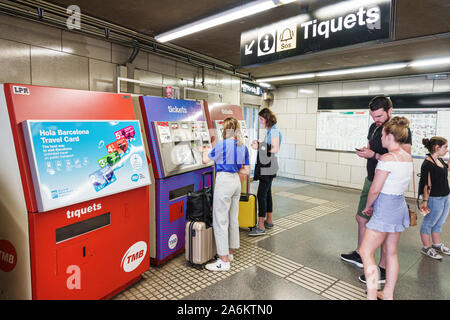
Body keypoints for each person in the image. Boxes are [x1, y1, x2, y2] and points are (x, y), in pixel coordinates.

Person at [340, 95, 412, 285]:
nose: (376, 121)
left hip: (387, 186)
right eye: (373, 117)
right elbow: (373, 149)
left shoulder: (401, 131)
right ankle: (360, 254)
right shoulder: (374, 127)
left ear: (390, 111)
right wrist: (367, 152)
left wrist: (376, 155)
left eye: (379, 116)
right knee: (361, 218)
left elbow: (403, 157)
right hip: (371, 178)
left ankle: (381, 268)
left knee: (386, 232)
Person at [359, 116, 413, 300]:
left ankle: (372, 295)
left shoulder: (387, 158)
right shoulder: (407, 157)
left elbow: (375, 189)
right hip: (399, 205)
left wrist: (368, 206)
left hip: (385, 207)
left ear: (390, 136)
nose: (380, 139)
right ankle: (388, 293)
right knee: (391, 252)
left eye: (382, 135)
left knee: (366, 252)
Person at [201, 117, 250, 271]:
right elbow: (247, 171)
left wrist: (205, 151)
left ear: (225, 129)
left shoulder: (222, 144)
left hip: (224, 182)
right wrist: (234, 169)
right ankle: (230, 252)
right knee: (232, 218)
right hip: (236, 182)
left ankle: (223, 261)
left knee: (220, 220)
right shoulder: (243, 146)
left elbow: (204, 161)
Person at [249, 108, 282, 236]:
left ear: (267, 118)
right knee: (267, 193)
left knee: (261, 194)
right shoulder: (270, 130)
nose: (260, 121)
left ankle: (261, 226)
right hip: (269, 165)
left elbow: (274, 148)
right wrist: (260, 144)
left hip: (268, 166)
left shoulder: (274, 130)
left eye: (261, 119)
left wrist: (259, 146)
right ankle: (269, 220)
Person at [418, 137, 450, 260]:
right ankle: (426, 248)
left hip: (445, 196)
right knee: (429, 223)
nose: (447, 149)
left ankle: (436, 244)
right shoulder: (428, 163)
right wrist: (425, 201)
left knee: (440, 222)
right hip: (434, 198)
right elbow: (427, 184)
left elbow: (447, 168)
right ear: (437, 147)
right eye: (445, 147)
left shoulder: (440, 160)